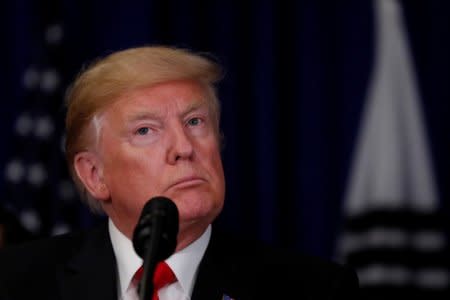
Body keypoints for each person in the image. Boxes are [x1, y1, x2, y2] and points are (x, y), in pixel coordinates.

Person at [0, 45, 359, 299]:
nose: (185, 148)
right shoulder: (14, 282)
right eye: (145, 131)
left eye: (194, 121)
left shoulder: (314, 290)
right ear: (94, 175)